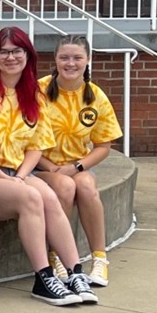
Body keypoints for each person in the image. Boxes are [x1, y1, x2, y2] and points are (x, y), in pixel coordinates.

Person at [0, 28, 97, 306]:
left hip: (17, 173)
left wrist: (21, 175)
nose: (11, 57)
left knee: (48, 196)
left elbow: (37, 145)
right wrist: (6, 178)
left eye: (17, 51)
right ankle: (43, 277)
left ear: (28, 55)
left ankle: (74, 273)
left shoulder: (33, 93)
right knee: (32, 196)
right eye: (4, 51)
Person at [36, 36, 122, 287]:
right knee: (64, 186)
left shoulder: (95, 96)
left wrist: (76, 166)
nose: (70, 63)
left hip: (75, 165)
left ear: (87, 60)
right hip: (42, 166)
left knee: (84, 185)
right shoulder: (38, 90)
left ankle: (100, 258)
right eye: (64, 57)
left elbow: (104, 146)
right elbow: (23, 139)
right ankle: (56, 256)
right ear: (55, 60)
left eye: (77, 58)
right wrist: (51, 167)